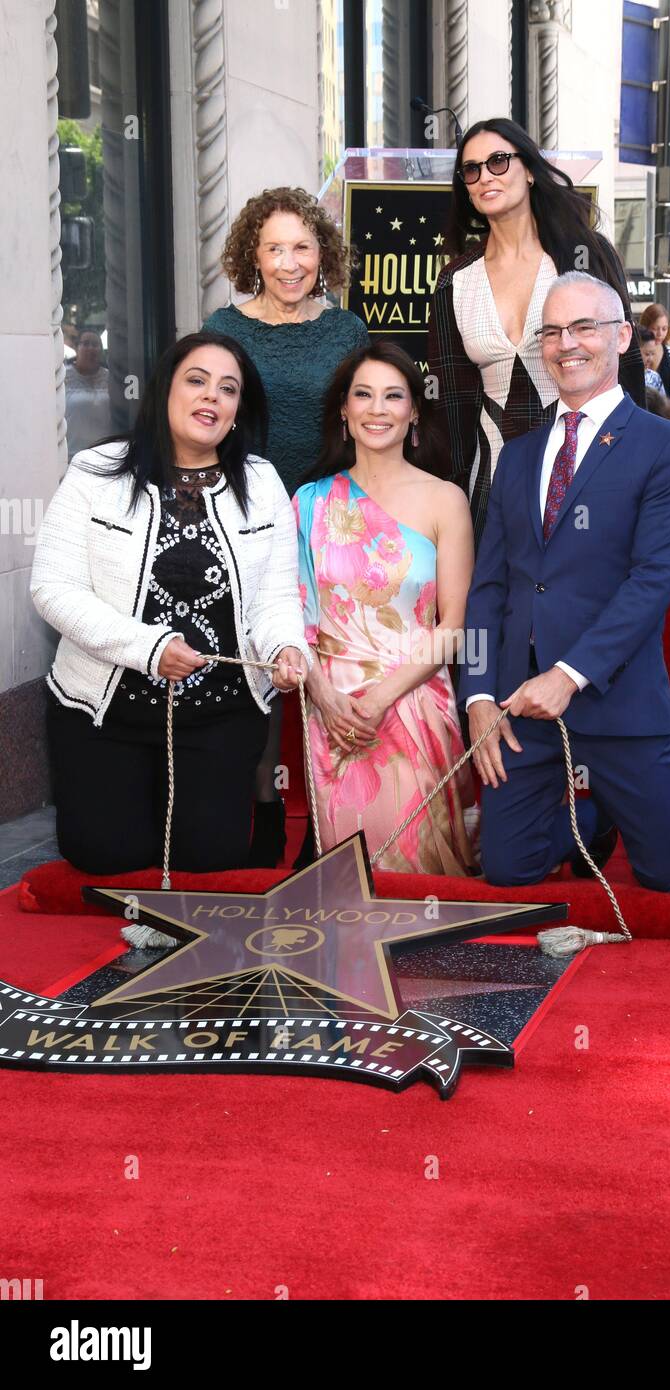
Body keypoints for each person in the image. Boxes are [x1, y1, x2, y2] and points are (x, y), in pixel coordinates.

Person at [31, 331, 310, 904]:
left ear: (239, 409)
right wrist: (147, 648)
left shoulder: (261, 482)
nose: (212, 397)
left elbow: (276, 598)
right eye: (197, 381)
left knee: (209, 860)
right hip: (104, 712)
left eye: (228, 389)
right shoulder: (96, 471)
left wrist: (285, 647)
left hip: (219, 715)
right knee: (103, 854)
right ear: (164, 390)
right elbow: (53, 589)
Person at [462, 271, 670, 893]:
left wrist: (567, 675)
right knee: (507, 868)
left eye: (584, 327)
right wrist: (476, 697)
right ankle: (594, 819)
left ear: (623, 336)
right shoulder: (518, 455)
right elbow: (487, 588)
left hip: (616, 694)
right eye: (552, 331)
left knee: (669, 879)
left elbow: (652, 582)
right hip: (520, 700)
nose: (566, 343)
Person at [204, 186, 368, 864]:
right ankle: (266, 813)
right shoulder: (224, 328)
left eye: (302, 246)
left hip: (330, 518)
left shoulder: (347, 331)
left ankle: (326, 822)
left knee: (327, 660)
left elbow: (363, 428)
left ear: (322, 253)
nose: (289, 262)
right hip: (249, 519)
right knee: (264, 666)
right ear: (253, 255)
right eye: (274, 248)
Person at [294, 342, 478, 874]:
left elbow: (454, 626)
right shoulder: (308, 502)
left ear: (414, 411)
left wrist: (382, 698)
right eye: (364, 395)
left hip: (415, 700)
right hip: (332, 709)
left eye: (393, 396)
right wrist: (325, 696)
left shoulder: (446, 499)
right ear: (344, 412)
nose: (378, 409)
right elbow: (296, 623)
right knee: (348, 875)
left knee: (421, 867)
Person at [428, 117, 644, 544]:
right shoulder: (455, 280)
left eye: (498, 161)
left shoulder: (585, 255)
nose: (485, 176)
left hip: (585, 473)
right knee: (493, 607)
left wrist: (634, 468)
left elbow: (628, 366)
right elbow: (448, 404)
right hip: (489, 486)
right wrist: (444, 503)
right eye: (471, 169)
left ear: (528, 169)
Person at [65, 327, 111, 459]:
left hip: (106, 457)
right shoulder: (63, 378)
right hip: (72, 457)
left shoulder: (111, 378)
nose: (91, 349)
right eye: (85, 344)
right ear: (76, 347)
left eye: (95, 344)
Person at [639, 303, 670, 410]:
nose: (660, 334)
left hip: (667, 414)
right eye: (655, 328)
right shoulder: (635, 354)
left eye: (664, 329)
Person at [638, 326, 666, 394]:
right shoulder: (621, 378)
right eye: (647, 354)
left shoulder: (655, 378)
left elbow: (661, 403)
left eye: (652, 353)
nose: (650, 359)